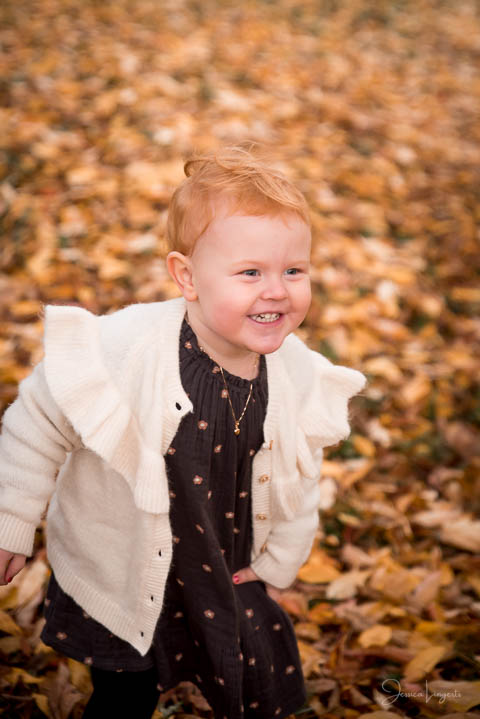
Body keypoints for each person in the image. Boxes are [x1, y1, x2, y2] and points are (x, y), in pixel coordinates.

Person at [0, 145, 366, 719]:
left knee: (255, 685)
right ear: (187, 277)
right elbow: (38, 419)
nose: (277, 290)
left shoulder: (296, 373)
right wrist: (13, 519)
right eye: (250, 273)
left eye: (294, 270)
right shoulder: (127, 347)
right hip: (123, 566)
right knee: (125, 695)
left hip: (223, 567)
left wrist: (279, 560)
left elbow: (300, 470)